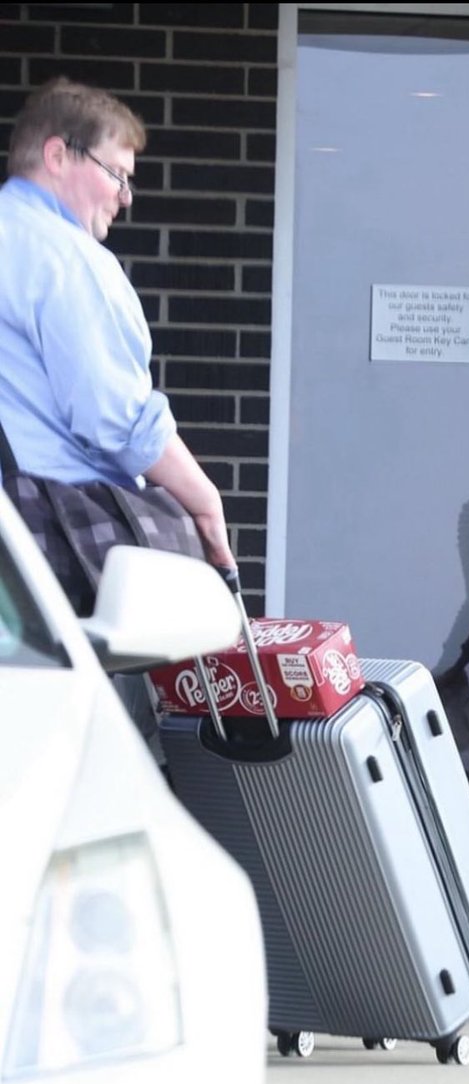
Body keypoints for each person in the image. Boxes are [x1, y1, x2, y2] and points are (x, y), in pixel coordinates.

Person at [0, 78, 235, 744]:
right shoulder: (67, 259)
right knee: (95, 773)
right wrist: (205, 502)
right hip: (55, 560)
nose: (125, 198)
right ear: (57, 156)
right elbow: (114, 416)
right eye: (117, 174)